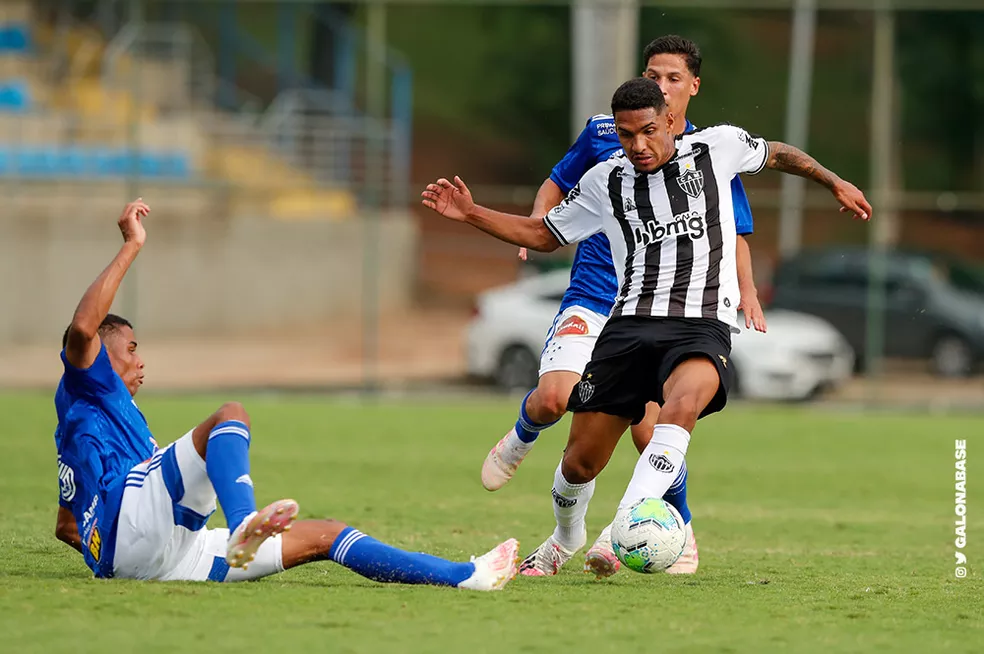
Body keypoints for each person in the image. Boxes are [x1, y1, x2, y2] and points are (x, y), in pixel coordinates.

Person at [422, 77, 871, 578]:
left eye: (649, 131)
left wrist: (834, 181)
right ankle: (564, 538)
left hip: (700, 325)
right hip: (629, 326)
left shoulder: (716, 148)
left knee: (679, 408)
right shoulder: (604, 181)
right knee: (579, 465)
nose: (638, 145)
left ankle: (623, 529)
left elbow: (780, 154)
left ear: (672, 122)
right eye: (626, 133)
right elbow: (542, 235)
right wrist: (470, 213)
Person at [53, 199, 519, 589]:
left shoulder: (83, 423)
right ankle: (242, 526)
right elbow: (82, 326)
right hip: (134, 526)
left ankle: (465, 576)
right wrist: (132, 244)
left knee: (326, 535)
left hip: (162, 557)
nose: (139, 361)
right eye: (131, 349)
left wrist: (117, 558)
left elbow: (67, 527)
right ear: (98, 352)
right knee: (228, 415)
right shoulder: (87, 380)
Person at [481, 35, 766, 577]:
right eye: (652, 74)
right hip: (597, 293)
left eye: (672, 78)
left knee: (652, 431)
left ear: (691, 90)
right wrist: (530, 227)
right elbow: (554, 189)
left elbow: (737, 233)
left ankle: (666, 530)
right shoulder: (602, 133)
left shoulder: (712, 152)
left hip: (670, 313)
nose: (660, 84)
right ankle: (523, 439)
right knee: (553, 400)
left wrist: (745, 290)